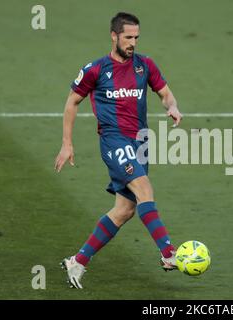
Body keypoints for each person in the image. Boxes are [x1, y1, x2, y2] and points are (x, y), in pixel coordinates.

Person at [54, 12, 183, 289]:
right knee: (144, 189)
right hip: (114, 141)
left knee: (125, 209)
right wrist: (67, 143)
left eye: (136, 37)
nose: (133, 42)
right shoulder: (95, 69)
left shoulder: (145, 65)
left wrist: (171, 106)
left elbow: (164, 93)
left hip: (141, 143)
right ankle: (168, 253)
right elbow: (72, 103)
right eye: (128, 37)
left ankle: (78, 261)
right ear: (114, 36)